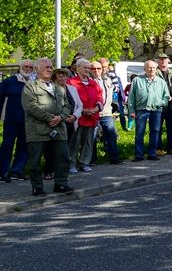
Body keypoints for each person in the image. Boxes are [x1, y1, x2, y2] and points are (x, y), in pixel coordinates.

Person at [21, 57, 74, 196]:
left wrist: (60, 117)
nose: (50, 69)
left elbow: (67, 105)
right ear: (37, 69)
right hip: (37, 130)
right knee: (35, 160)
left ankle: (61, 184)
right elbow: (30, 106)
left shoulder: (59, 88)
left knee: (63, 157)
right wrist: (50, 118)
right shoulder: (30, 86)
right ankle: (37, 187)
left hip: (59, 130)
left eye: (51, 67)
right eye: (46, 67)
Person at [127, 60, 170, 162]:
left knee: (155, 131)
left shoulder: (161, 82)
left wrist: (160, 102)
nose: (151, 70)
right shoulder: (137, 80)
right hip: (141, 110)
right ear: (144, 69)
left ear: (156, 69)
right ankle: (139, 155)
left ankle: (152, 153)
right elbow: (131, 97)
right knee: (139, 132)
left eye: (153, 68)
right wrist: (131, 111)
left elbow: (166, 97)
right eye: (149, 67)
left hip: (156, 110)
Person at [66, 58, 103, 173]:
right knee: (74, 142)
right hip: (78, 118)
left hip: (92, 117)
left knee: (88, 142)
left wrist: (96, 109)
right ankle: (71, 164)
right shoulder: (71, 82)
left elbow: (100, 97)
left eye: (88, 68)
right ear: (78, 69)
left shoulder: (93, 83)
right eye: (85, 68)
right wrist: (81, 111)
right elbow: (68, 99)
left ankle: (84, 162)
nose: (87, 70)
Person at [0, 58, 34, 182]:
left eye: (30, 67)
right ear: (20, 68)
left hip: (28, 121)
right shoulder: (9, 82)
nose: (28, 69)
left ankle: (17, 171)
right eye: (26, 67)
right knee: (7, 146)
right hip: (11, 120)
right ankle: (2, 172)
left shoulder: (33, 83)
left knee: (23, 146)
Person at [93, 58, 122, 165]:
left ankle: (114, 158)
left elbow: (115, 91)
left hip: (107, 112)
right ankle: (92, 160)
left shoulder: (107, 79)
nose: (98, 70)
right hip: (93, 113)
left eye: (100, 68)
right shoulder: (89, 81)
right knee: (92, 138)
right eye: (94, 68)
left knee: (111, 135)